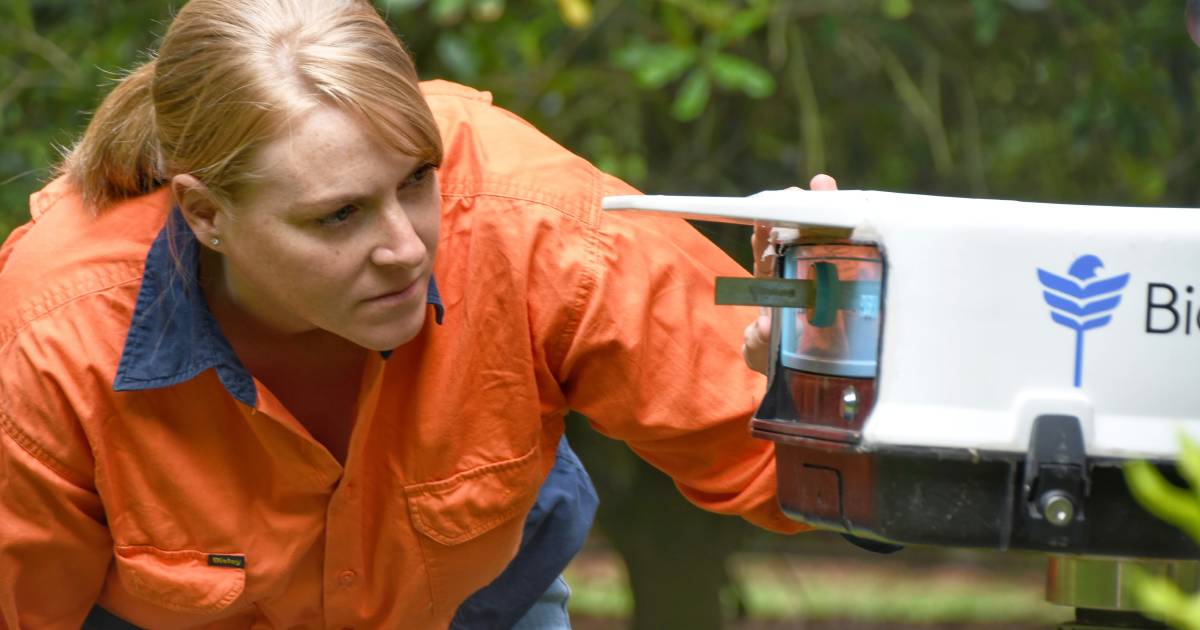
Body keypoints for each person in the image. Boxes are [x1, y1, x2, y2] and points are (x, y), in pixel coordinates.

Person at [0, 0, 813, 627]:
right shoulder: (53, 332)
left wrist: (843, 357)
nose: (407, 248)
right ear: (206, 214)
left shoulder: (539, 222)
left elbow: (795, 455)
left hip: (479, 603)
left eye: (417, 181)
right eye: (340, 216)